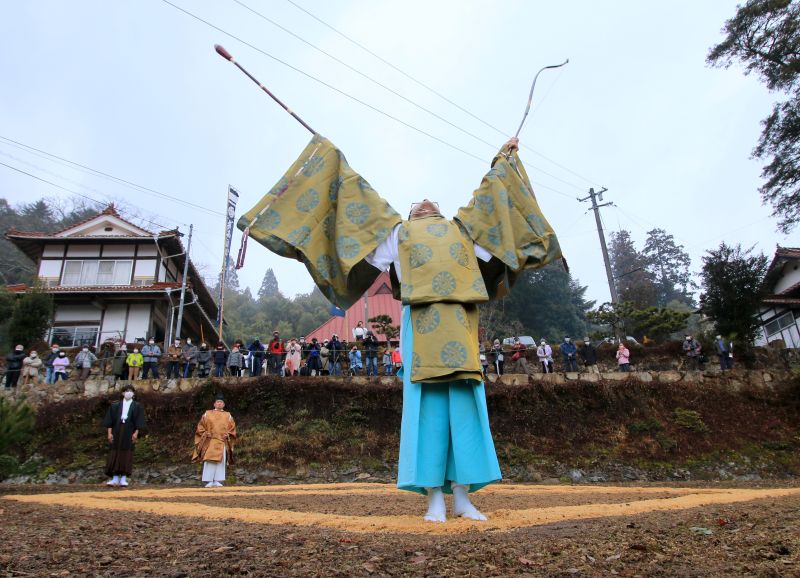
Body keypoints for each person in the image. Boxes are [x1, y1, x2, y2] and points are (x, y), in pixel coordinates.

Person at [237, 134, 562, 522]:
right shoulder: (398, 236)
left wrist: (503, 158)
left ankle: (462, 496)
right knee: (426, 409)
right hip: (421, 330)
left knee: (465, 409)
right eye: (416, 205)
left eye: (430, 203)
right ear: (409, 217)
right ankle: (434, 500)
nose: (424, 203)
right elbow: (359, 208)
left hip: (459, 330)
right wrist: (333, 160)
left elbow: (492, 204)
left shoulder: (464, 232)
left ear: (442, 212)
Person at [103, 384, 146, 487]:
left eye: (131, 391)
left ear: (134, 394)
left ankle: (123, 478)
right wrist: (109, 433)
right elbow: (110, 421)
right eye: (126, 391)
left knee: (126, 453)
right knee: (115, 451)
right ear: (122, 393)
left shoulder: (137, 406)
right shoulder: (115, 405)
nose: (129, 393)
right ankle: (115, 478)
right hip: (117, 430)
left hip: (129, 431)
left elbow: (139, 421)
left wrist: (136, 433)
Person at [192, 393, 237, 487]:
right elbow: (200, 427)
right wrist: (205, 433)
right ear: (214, 404)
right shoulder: (207, 414)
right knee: (209, 461)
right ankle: (208, 481)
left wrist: (228, 435)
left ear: (224, 404)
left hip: (221, 441)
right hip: (210, 440)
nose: (219, 404)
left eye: (221, 402)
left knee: (220, 461)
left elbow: (232, 428)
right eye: (218, 402)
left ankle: (217, 480)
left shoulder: (228, 415)